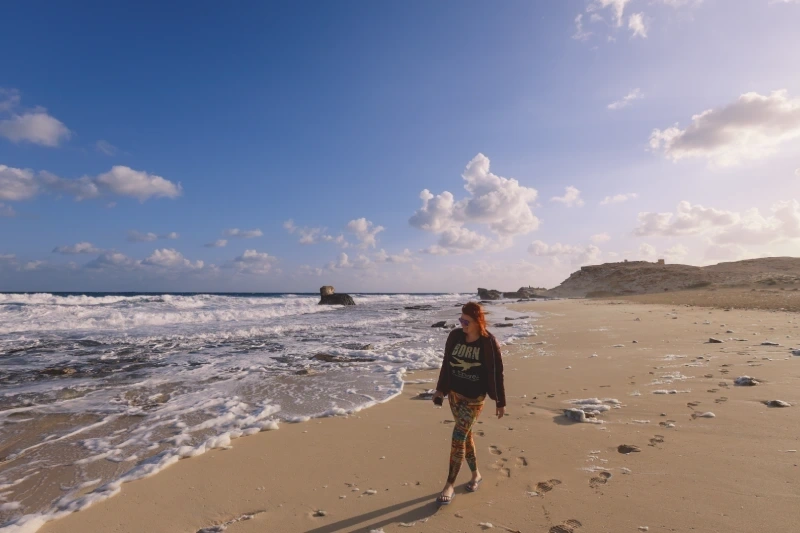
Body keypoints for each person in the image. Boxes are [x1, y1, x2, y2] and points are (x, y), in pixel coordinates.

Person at [432, 301, 506, 505]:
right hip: (454, 396)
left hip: (475, 399)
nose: (462, 324)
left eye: (466, 321)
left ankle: (449, 484)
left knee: (458, 436)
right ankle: (476, 475)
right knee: (466, 437)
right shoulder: (455, 336)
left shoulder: (488, 343)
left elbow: (497, 373)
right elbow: (446, 364)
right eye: (461, 320)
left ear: (478, 322)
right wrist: (440, 389)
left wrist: (500, 401)